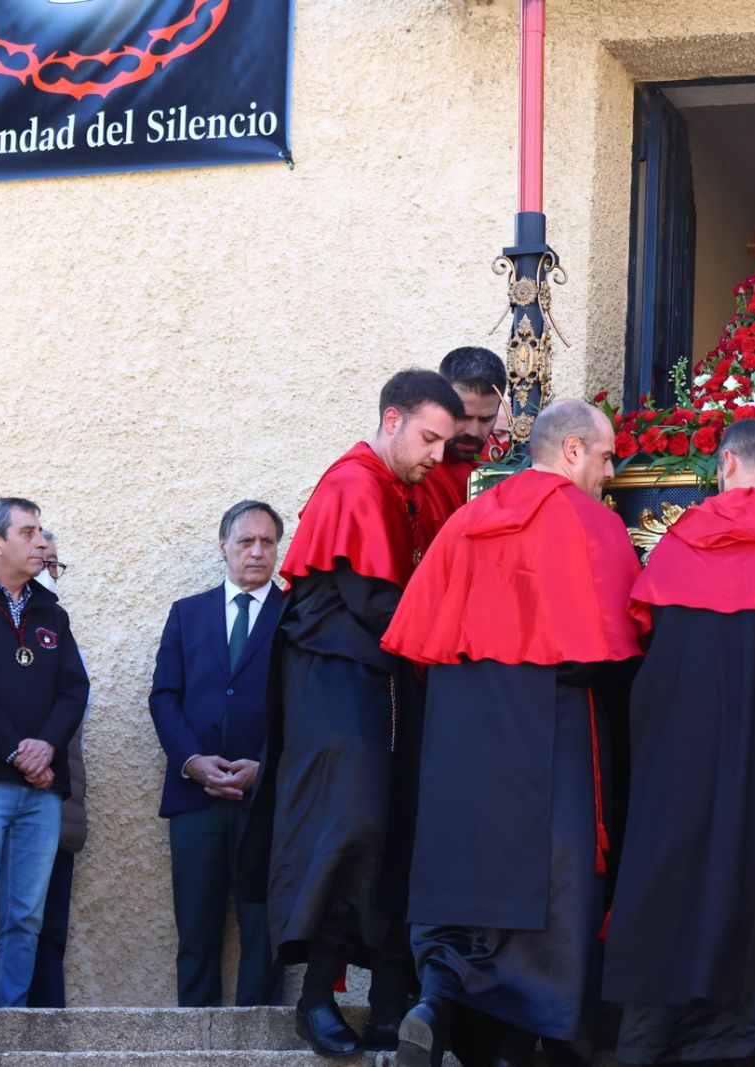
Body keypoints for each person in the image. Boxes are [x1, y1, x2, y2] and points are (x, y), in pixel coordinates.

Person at [381, 399, 644, 1067]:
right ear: (573, 451)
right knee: (553, 880)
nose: (610, 473)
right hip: (550, 722)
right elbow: (616, 647)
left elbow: (421, 644)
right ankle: (535, 1038)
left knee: (463, 872)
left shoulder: (467, 519)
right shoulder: (590, 521)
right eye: (606, 456)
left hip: (460, 729)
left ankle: (435, 1002)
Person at [604, 418, 755, 1066]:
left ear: (723, 464)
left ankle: (649, 1039)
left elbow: (642, 630)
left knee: (667, 872)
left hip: (679, 735)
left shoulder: (677, 543)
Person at [250, 369, 465, 1057]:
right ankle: (315, 998)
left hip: (384, 680)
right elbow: (376, 602)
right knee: (349, 825)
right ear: (392, 419)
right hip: (336, 685)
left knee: (395, 828)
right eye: (429, 438)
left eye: (447, 442)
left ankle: (388, 1003)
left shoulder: (402, 488)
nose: (438, 454)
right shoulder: (354, 484)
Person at [148, 501, 286, 1008]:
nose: (257, 551)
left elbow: (307, 705)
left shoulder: (296, 615)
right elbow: (164, 696)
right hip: (195, 796)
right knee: (196, 931)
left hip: (267, 798)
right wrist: (192, 760)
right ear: (224, 545)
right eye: (246, 540)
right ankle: (194, 1040)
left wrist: (265, 766)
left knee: (264, 931)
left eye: (267, 541)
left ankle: (258, 1040)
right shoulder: (187, 613)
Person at [0, 498, 89, 1007]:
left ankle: (10, 1027)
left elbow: (74, 688)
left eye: (42, 531)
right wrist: (15, 752)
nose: (42, 541)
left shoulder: (53, 614)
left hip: (42, 793)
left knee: (25, 917)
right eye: (28, 532)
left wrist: (46, 746)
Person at [25, 531, 87, 1008]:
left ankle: (46, 1031)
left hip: (56, 808)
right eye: (39, 561)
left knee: (48, 932)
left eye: (54, 566)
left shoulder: (60, 634)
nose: (47, 574)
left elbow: (72, 712)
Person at [417, 346, 507, 538]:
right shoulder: (413, 463)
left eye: (485, 419)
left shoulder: (503, 459)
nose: (473, 431)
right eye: (463, 416)